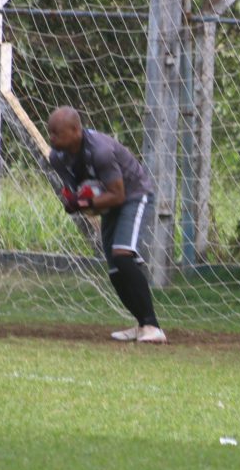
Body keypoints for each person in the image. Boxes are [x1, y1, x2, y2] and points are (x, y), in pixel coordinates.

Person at [47, 106, 167, 344]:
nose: (51, 138)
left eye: (56, 133)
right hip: (109, 203)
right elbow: (75, 192)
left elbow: (118, 195)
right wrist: (72, 202)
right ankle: (141, 325)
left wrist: (86, 202)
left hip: (134, 195)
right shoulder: (57, 157)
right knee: (114, 269)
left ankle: (153, 326)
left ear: (75, 130)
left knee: (123, 255)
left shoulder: (99, 151)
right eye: (49, 132)